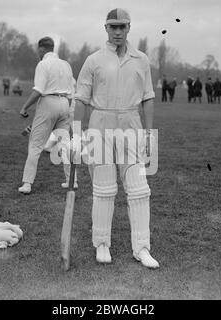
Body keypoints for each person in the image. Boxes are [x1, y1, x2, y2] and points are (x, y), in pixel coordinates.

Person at [74, 8, 159, 269]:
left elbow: (147, 97)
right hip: (100, 124)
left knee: (139, 189)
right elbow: (80, 99)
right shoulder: (94, 60)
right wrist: (76, 136)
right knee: (104, 188)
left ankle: (142, 247)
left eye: (123, 26)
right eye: (114, 27)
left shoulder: (141, 59)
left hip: (131, 124)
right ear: (106, 28)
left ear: (129, 28)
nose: (118, 31)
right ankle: (102, 243)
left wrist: (148, 134)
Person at [18, 37, 74, 194]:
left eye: (38, 50)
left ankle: (27, 184)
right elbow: (71, 92)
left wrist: (24, 107)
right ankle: (72, 181)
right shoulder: (66, 64)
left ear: (41, 49)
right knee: (64, 145)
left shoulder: (43, 64)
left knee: (35, 145)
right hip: (65, 103)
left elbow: (38, 91)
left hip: (48, 102)